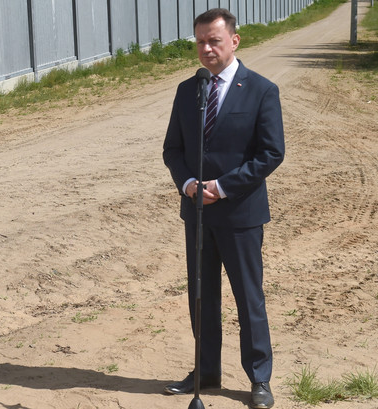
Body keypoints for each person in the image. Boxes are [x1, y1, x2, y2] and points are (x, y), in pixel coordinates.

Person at [162, 8, 284, 409]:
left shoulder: (262, 90)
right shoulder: (188, 90)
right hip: (197, 213)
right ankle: (206, 370)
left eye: (213, 40)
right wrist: (189, 184)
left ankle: (259, 378)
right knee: (202, 296)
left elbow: (271, 153)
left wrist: (222, 186)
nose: (206, 48)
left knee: (249, 299)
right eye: (199, 41)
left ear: (234, 41)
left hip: (240, 214)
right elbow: (173, 149)